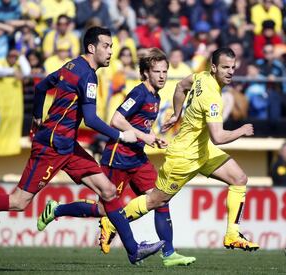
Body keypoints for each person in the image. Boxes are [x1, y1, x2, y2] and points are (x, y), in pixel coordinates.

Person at [0, 27, 164, 265]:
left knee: (107, 191)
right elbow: (91, 119)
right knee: (18, 202)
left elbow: (42, 86)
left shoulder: (70, 66)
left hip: (67, 145)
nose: (111, 51)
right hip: (51, 146)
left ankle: (133, 249)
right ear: (92, 48)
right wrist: (121, 135)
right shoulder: (88, 76)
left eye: (112, 46)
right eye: (106, 46)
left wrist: (37, 116)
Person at [37, 48, 196, 267]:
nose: (162, 75)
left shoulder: (156, 96)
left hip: (137, 158)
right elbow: (116, 119)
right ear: (145, 74)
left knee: (161, 198)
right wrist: (143, 136)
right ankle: (56, 210)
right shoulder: (139, 93)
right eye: (157, 71)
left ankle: (169, 253)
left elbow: (138, 125)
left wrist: (152, 138)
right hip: (118, 157)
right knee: (104, 209)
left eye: (165, 71)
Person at [100, 47, 260, 252]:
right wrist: (242, 130)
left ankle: (232, 234)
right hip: (185, 156)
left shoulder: (201, 77)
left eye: (232, 67)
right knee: (156, 200)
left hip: (202, 150)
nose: (230, 71)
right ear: (213, 68)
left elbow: (180, 86)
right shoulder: (212, 97)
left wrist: (177, 114)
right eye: (224, 67)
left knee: (239, 179)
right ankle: (112, 222)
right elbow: (218, 137)